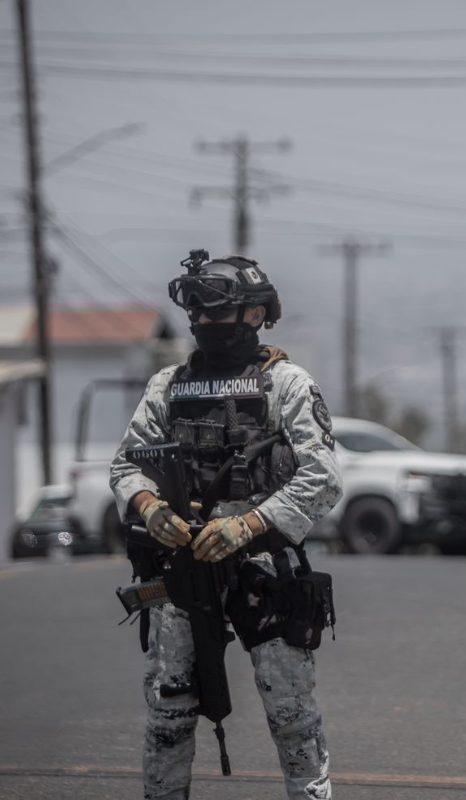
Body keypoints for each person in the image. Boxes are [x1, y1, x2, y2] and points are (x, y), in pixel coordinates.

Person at [110, 250, 342, 800]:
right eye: (195, 311)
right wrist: (150, 508)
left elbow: (325, 476)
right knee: (169, 714)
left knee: (291, 714)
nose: (202, 322)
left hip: (262, 566)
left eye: (213, 310)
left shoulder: (285, 384)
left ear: (255, 316)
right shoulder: (168, 385)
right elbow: (126, 463)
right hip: (184, 569)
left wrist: (249, 525)